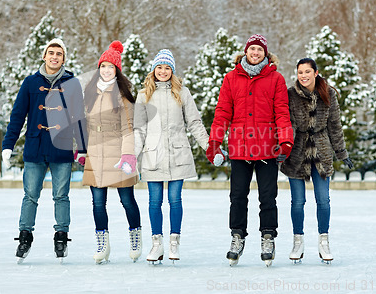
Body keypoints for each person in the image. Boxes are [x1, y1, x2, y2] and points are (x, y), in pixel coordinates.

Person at [206, 34, 294, 267]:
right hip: (239, 147)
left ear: (266, 54)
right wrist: (214, 142)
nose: (255, 53)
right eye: (252, 49)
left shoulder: (276, 79)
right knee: (237, 196)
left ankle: (268, 237)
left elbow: (282, 113)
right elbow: (222, 112)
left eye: (260, 50)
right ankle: (237, 236)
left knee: (267, 197)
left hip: (266, 148)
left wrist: (285, 142)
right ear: (246, 52)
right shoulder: (231, 78)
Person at [2, 38, 87, 263]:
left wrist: (83, 147)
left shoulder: (72, 83)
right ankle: (24, 236)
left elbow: (79, 118)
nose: (54, 57)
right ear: (44, 56)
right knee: (30, 195)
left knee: (61, 195)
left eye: (59, 54)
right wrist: (8, 145)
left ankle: (61, 236)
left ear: (63, 59)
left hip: (61, 148)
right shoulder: (30, 83)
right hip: (35, 147)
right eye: (51, 53)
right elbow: (18, 116)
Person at [134, 49, 209, 263]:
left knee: (175, 199)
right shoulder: (143, 95)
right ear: (153, 70)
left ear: (172, 71)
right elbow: (139, 129)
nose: (163, 71)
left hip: (178, 153)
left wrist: (208, 146)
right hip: (152, 155)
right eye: (160, 67)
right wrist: (131, 155)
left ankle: (174, 241)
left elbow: (194, 122)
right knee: (154, 201)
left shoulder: (182, 93)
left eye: (167, 68)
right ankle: (156, 244)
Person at [281, 57, 353, 264]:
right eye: (300, 72)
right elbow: (288, 124)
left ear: (315, 72)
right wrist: (284, 149)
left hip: (321, 151)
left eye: (307, 71)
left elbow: (335, 126)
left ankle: (324, 240)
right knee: (298, 202)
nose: (303, 76)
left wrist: (342, 153)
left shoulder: (328, 93)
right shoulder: (290, 94)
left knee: (323, 200)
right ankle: (298, 240)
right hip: (297, 152)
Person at [82, 40, 141, 264]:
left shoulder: (122, 96)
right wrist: (81, 149)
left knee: (127, 200)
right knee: (98, 202)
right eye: (103, 66)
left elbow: (128, 128)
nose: (106, 70)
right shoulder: (90, 92)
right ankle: (102, 244)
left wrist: (128, 155)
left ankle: (135, 236)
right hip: (96, 154)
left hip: (118, 154)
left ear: (117, 70)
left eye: (111, 67)